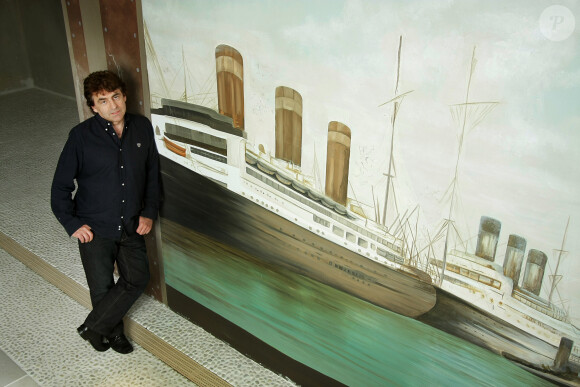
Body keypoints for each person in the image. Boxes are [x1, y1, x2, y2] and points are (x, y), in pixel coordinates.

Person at [51, 70, 160, 354]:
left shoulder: (142, 128)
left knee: (137, 278)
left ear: (124, 96)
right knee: (101, 287)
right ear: (93, 106)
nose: (113, 106)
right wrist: (72, 224)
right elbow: (60, 187)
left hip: (132, 223)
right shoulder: (80, 137)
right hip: (94, 228)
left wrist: (148, 212)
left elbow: (151, 175)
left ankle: (92, 327)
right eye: (103, 100)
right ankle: (114, 335)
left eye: (116, 97)